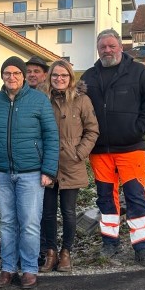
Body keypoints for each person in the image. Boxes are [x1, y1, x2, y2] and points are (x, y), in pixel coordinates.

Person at [81, 28, 145, 266]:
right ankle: (110, 242)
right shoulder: (88, 77)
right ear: (98, 50)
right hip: (100, 151)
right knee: (106, 199)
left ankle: (143, 247)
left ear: (120, 47)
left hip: (130, 148)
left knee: (136, 197)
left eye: (111, 46)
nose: (107, 50)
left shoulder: (139, 72)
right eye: (103, 47)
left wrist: (139, 128)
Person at [0, 56, 59, 289]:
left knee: (30, 223)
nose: (11, 77)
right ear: (2, 76)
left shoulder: (39, 100)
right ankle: (8, 268)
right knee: (7, 222)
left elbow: (51, 136)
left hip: (31, 173)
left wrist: (48, 170)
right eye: (7, 73)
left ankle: (30, 269)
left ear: (23, 76)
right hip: (0, 172)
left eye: (16, 73)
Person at [39, 59, 99, 273]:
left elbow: (92, 130)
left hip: (71, 164)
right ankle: (51, 252)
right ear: (50, 77)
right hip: (46, 164)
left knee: (69, 212)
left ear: (70, 78)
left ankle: (66, 253)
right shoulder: (41, 98)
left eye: (64, 75)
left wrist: (79, 153)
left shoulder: (82, 101)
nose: (59, 79)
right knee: (47, 212)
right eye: (55, 75)